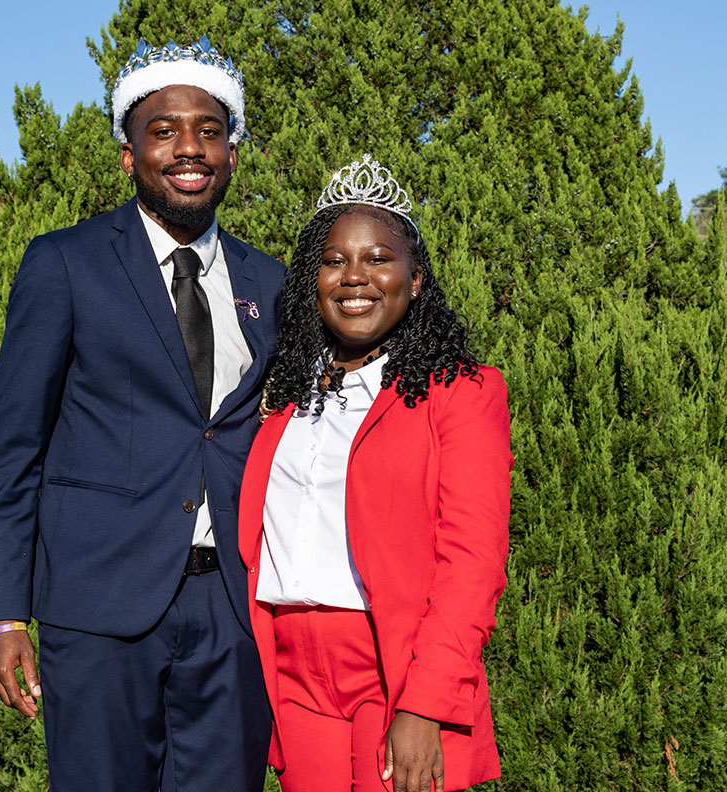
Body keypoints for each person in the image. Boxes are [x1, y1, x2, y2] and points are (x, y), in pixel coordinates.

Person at [0, 36, 282, 791]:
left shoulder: (270, 282)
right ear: (128, 153)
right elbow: (17, 450)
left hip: (234, 608)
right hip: (100, 604)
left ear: (232, 153)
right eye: (165, 130)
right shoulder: (66, 263)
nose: (189, 148)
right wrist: (3, 615)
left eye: (210, 132)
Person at [237, 155, 512, 792]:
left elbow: (473, 563)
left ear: (414, 281)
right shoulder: (279, 395)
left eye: (379, 259)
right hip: (291, 668)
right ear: (312, 280)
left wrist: (424, 706)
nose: (355, 276)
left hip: (393, 667)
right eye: (334, 261)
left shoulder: (460, 394)